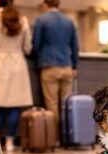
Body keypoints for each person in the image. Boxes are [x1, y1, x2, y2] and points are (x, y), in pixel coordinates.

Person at [0, 0, 33, 151]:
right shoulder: (23, 20)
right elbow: (28, 48)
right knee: (14, 106)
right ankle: (10, 142)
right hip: (18, 64)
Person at [32, 0, 79, 141]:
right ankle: (68, 137)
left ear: (46, 4)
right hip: (66, 66)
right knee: (67, 105)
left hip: (49, 66)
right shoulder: (69, 21)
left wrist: (36, 59)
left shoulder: (41, 19)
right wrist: (74, 66)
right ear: (58, 5)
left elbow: (35, 45)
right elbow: (75, 47)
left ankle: (55, 138)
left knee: (52, 104)